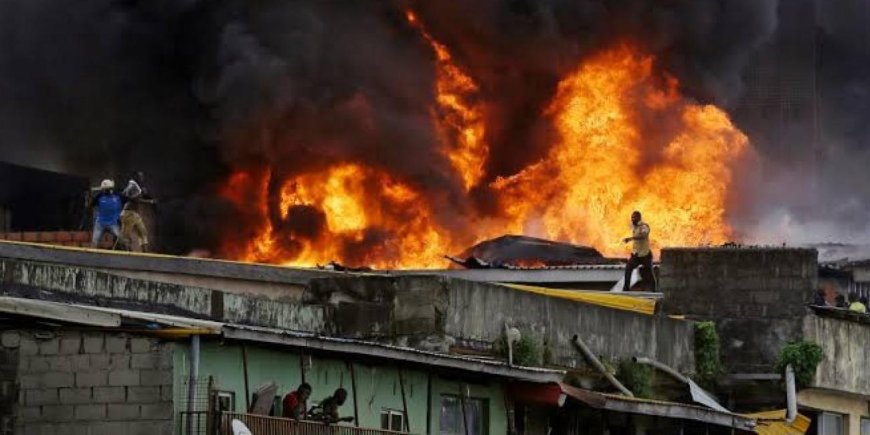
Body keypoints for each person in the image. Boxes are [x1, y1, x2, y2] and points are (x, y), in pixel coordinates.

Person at [622, 211, 656, 292]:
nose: (632, 219)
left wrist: (631, 238)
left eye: (634, 217)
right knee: (628, 268)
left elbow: (643, 235)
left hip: (645, 255)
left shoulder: (644, 226)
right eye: (632, 217)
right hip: (636, 256)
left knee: (650, 274)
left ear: (639, 218)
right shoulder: (635, 228)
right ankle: (626, 289)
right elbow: (637, 243)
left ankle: (654, 290)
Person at [90, 179, 123, 248]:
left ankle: (122, 253)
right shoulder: (99, 196)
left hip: (113, 223)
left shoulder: (117, 196)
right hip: (100, 223)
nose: (106, 191)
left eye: (107, 189)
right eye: (105, 189)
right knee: (94, 241)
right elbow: (91, 204)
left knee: (120, 239)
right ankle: (92, 255)